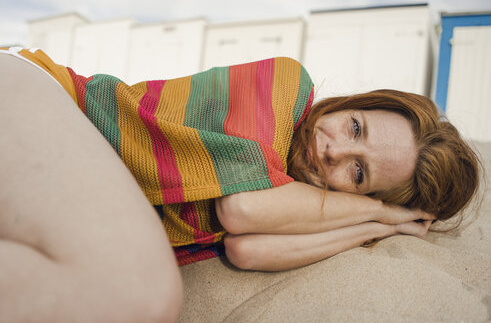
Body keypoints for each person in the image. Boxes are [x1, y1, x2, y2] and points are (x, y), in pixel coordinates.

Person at [0, 47, 480, 322]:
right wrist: (378, 210)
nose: (334, 150)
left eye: (357, 173)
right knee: (143, 295)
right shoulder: (286, 83)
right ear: (352, 101)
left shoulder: (292, 194)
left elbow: (251, 250)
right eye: (355, 127)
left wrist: (382, 221)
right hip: (46, 95)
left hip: (49, 176)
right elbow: (242, 212)